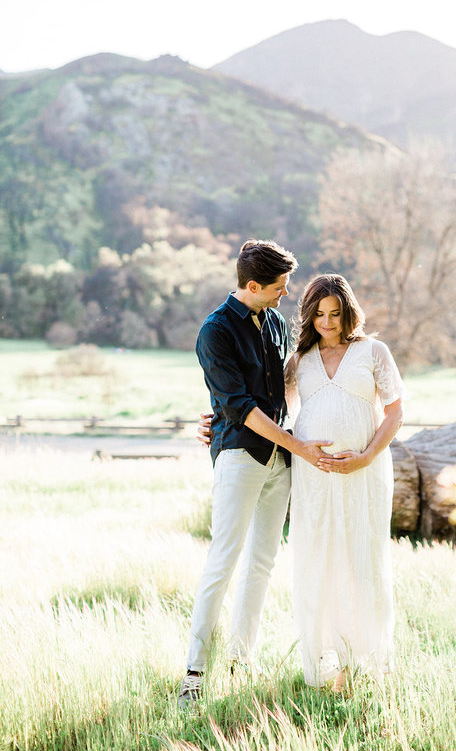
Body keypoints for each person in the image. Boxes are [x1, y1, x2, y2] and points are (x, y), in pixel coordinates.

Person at [179, 240, 332, 708]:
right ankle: (194, 675)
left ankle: (240, 661)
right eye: (280, 288)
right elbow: (240, 406)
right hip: (241, 457)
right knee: (222, 561)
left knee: (262, 563)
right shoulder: (215, 331)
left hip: (278, 462)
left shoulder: (276, 322)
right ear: (252, 285)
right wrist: (299, 447)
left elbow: (280, 388)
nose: (285, 295)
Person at [284, 273, 404, 689]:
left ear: (348, 311)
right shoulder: (299, 361)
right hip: (314, 478)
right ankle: (325, 662)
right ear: (308, 316)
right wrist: (214, 422)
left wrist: (366, 457)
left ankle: (364, 661)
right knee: (317, 559)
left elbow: (394, 413)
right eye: (319, 314)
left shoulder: (373, 351)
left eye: (335, 313)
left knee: (360, 559)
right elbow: (267, 411)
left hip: (364, 474)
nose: (327, 322)